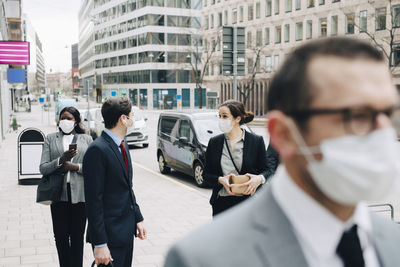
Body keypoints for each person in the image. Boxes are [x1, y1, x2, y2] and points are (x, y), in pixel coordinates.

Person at [164, 37, 400, 267]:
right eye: (357, 115)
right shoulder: (202, 258)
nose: (382, 132)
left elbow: (265, 169)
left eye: (389, 114)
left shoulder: (393, 241)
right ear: (284, 135)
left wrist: (258, 178)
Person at [83, 97, 147, 267]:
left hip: (126, 230)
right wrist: (100, 243)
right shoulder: (97, 150)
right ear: (123, 119)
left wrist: (137, 218)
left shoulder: (122, 144)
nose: (133, 119)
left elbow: (126, 187)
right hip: (109, 236)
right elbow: (93, 201)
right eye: (132, 115)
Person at [39, 106, 93, 267]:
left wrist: (75, 167)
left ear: (76, 121)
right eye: (62, 118)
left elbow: (93, 168)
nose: (65, 121)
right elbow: (43, 167)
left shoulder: (86, 139)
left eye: (69, 118)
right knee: (61, 236)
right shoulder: (50, 138)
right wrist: (61, 160)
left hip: (80, 195)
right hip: (58, 194)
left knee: (77, 237)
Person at [204, 100, 269, 216]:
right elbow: (206, 174)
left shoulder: (256, 141)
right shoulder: (214, 142)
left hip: (249, 204)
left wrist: (259, 179)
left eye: (224, 116)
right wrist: (220, 179)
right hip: (221, 204)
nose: (221, 120)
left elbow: (268, 170)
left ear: (237, 119)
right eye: (219, 116)